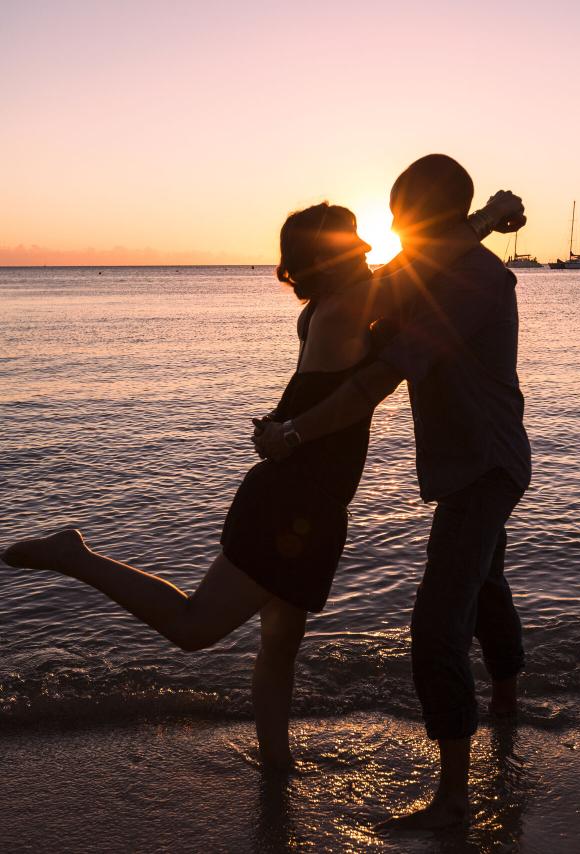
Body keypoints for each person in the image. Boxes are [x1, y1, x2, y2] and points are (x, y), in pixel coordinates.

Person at [1, 183, 523, 772]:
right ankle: (76, 556)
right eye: (352, 241)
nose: (366, 247)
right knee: (194, 627)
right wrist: (489, 215)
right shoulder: (348, 305)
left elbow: (406, 273)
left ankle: (277, 764)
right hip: (293, 499)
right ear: (328, 257)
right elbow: (425, 266)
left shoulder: (333, 305)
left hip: (315, 499)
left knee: (278, 647)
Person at [256, 154, 531, 825]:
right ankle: (506, 702)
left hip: (484, 467)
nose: (394, 232)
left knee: (438, 623)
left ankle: (454, 798)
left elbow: (375, 382)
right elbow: (395, 282)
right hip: (470, 461)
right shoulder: (431, 266)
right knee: (485, 583)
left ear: (422, 219)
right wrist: (491, 216)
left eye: (402, 217)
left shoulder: (466, 280)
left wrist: (294, 433)